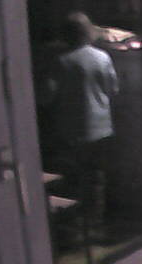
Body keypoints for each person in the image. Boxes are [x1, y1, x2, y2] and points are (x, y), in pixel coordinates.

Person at [44, 11, 119, 236]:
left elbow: (48, 95)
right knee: (96, 176)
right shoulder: (102, 57)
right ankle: (95, 220)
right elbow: (113, 89)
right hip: (102, 127)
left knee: (74, 176)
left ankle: (76, 222)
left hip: (72, 129)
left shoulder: (61, 61)